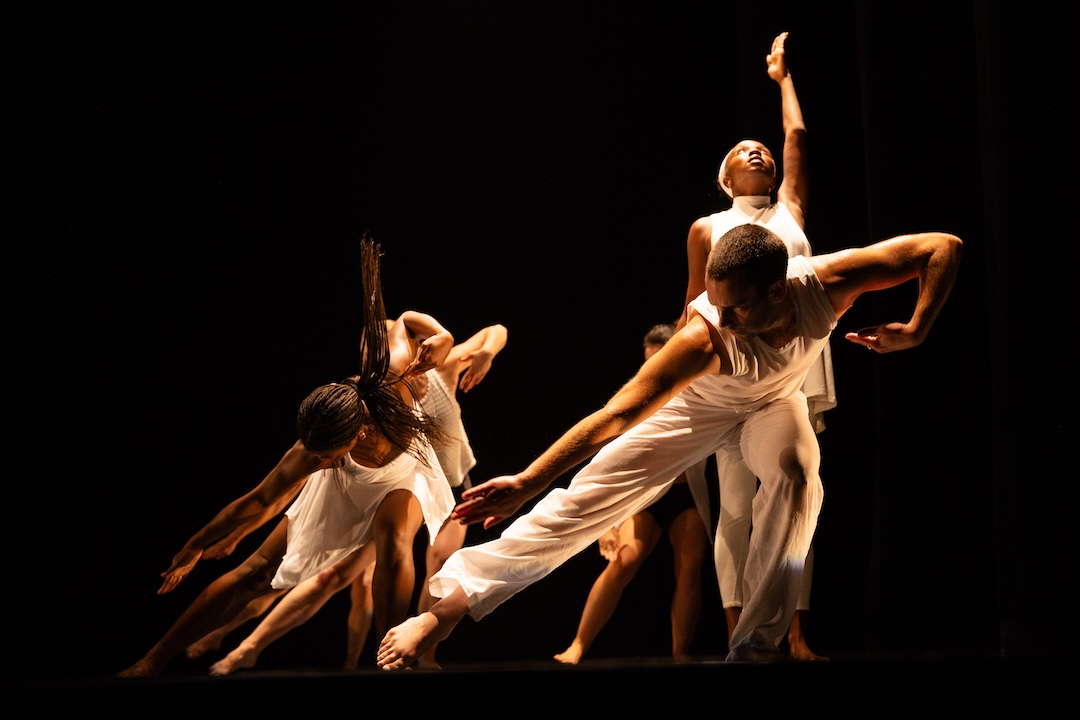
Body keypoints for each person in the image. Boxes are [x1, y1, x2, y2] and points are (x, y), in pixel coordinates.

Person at [377, 224, 962, 668]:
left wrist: (917, 329)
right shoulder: (703, 340)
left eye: (737, 306)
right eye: (716, 303)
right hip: (698, 408)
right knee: (585, 502)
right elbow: (615, 415)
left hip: (774, 402)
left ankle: (755, 647)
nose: (723, 317)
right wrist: (529, 481)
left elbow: (941, 247)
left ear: (779, 289)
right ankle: (444, 612)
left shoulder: (829, 284)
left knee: (798, 474)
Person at [117, 237, 456, 678]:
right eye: (316, 456)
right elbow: (258, 500)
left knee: (393, 542)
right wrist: (194, 545)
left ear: (358, 433)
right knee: (256, 572)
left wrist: (443, 335)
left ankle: (390, 665)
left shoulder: (391, 373)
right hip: (348, 483)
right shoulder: (314, 456)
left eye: (325, 456)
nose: (318, 462)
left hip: (403, 471)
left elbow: (407, 318)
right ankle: (153, 659)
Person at [203, 321, 508, 675]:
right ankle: (247, 648)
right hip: (400, 489)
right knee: (331, 575)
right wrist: (238, 533)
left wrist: (486, 354)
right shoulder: (366, 405)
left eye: (380, 350)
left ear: (408, 350)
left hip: (450, 486)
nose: (372, 360)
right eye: (366, 352)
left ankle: (423, 654)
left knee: (440, 565)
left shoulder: (439, 369)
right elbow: (284, 489)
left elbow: (497, 330)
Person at [677, 31, 833, 659]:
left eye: (761, 149)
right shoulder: (708, 227)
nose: (758, 150)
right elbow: (692, 308)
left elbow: (796, 137)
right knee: (737, 508)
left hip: (792, 370)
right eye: (744, 150)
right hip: (733, 374)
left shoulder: (789, 211)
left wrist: (782, 79)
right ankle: (736, 634)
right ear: (725, 178)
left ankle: (793, 631)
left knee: (797, 498)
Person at [553, 323, 710, 664]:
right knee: (623, 560)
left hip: (688, 494)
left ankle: (681, 654)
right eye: (647, 362)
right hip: (644, 496)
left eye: (658, 360)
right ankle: (578, 645)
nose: (652, 368)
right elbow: (610, 455)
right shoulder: (644, 395)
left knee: (689, 566)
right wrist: (607, 525)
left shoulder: (700, 391)